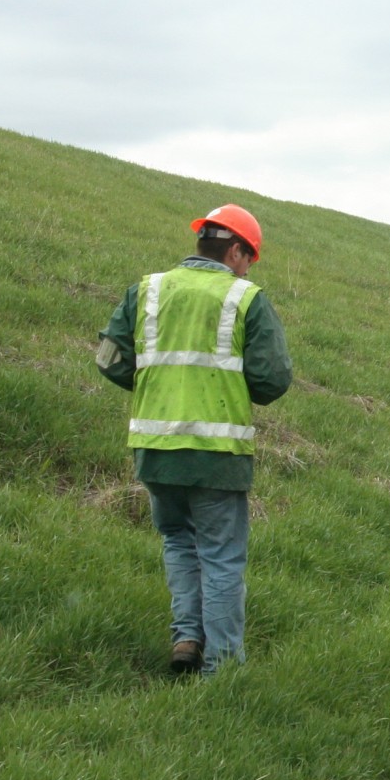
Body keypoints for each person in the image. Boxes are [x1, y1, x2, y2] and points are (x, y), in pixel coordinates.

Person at [95, 204, 293, 675]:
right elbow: (272, 379)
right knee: (222, 556)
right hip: (217, 454)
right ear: (237, 251)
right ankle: (221, 669)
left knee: (180, 544)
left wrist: (155, 387)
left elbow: (107, 358)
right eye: (250, 258)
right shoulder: (245, 298)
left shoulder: (148, 289)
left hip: (155, 449)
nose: (248, 269)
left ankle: (186, 638)